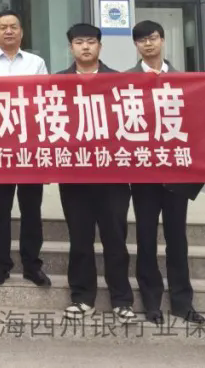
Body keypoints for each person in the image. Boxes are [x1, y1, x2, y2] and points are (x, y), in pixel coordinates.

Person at [126, 20, 205, 325]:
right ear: (136, 45)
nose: (148, 44)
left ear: (162, 40)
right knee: (146, 238)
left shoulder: (186, 81)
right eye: (141, 40)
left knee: (177, 239)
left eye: (153, 38)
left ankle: (183, 303)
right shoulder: (125, 81)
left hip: (177, 171)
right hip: (143, 174)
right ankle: (151, 302)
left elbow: (197, 124)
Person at [57, 22, 135, 322]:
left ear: (100, 46)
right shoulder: (57, 82)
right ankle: (82, 297)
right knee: (80, 238)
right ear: (71, 48)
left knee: (115, 239)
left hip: (112, 175)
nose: (85, 47)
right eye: (79, 42)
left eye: (91, 41)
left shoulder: (119, 81)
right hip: (74, 175)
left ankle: (121, 299)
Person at [0, 9, 51, 288]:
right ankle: (2, 264)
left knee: (31, 210)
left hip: (30, 146)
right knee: (0, 210)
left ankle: (32, 265)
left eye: (13, 26)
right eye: (3, 27)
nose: (8, 31)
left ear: (21, 32)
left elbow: (43, 99)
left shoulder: (36, 62)